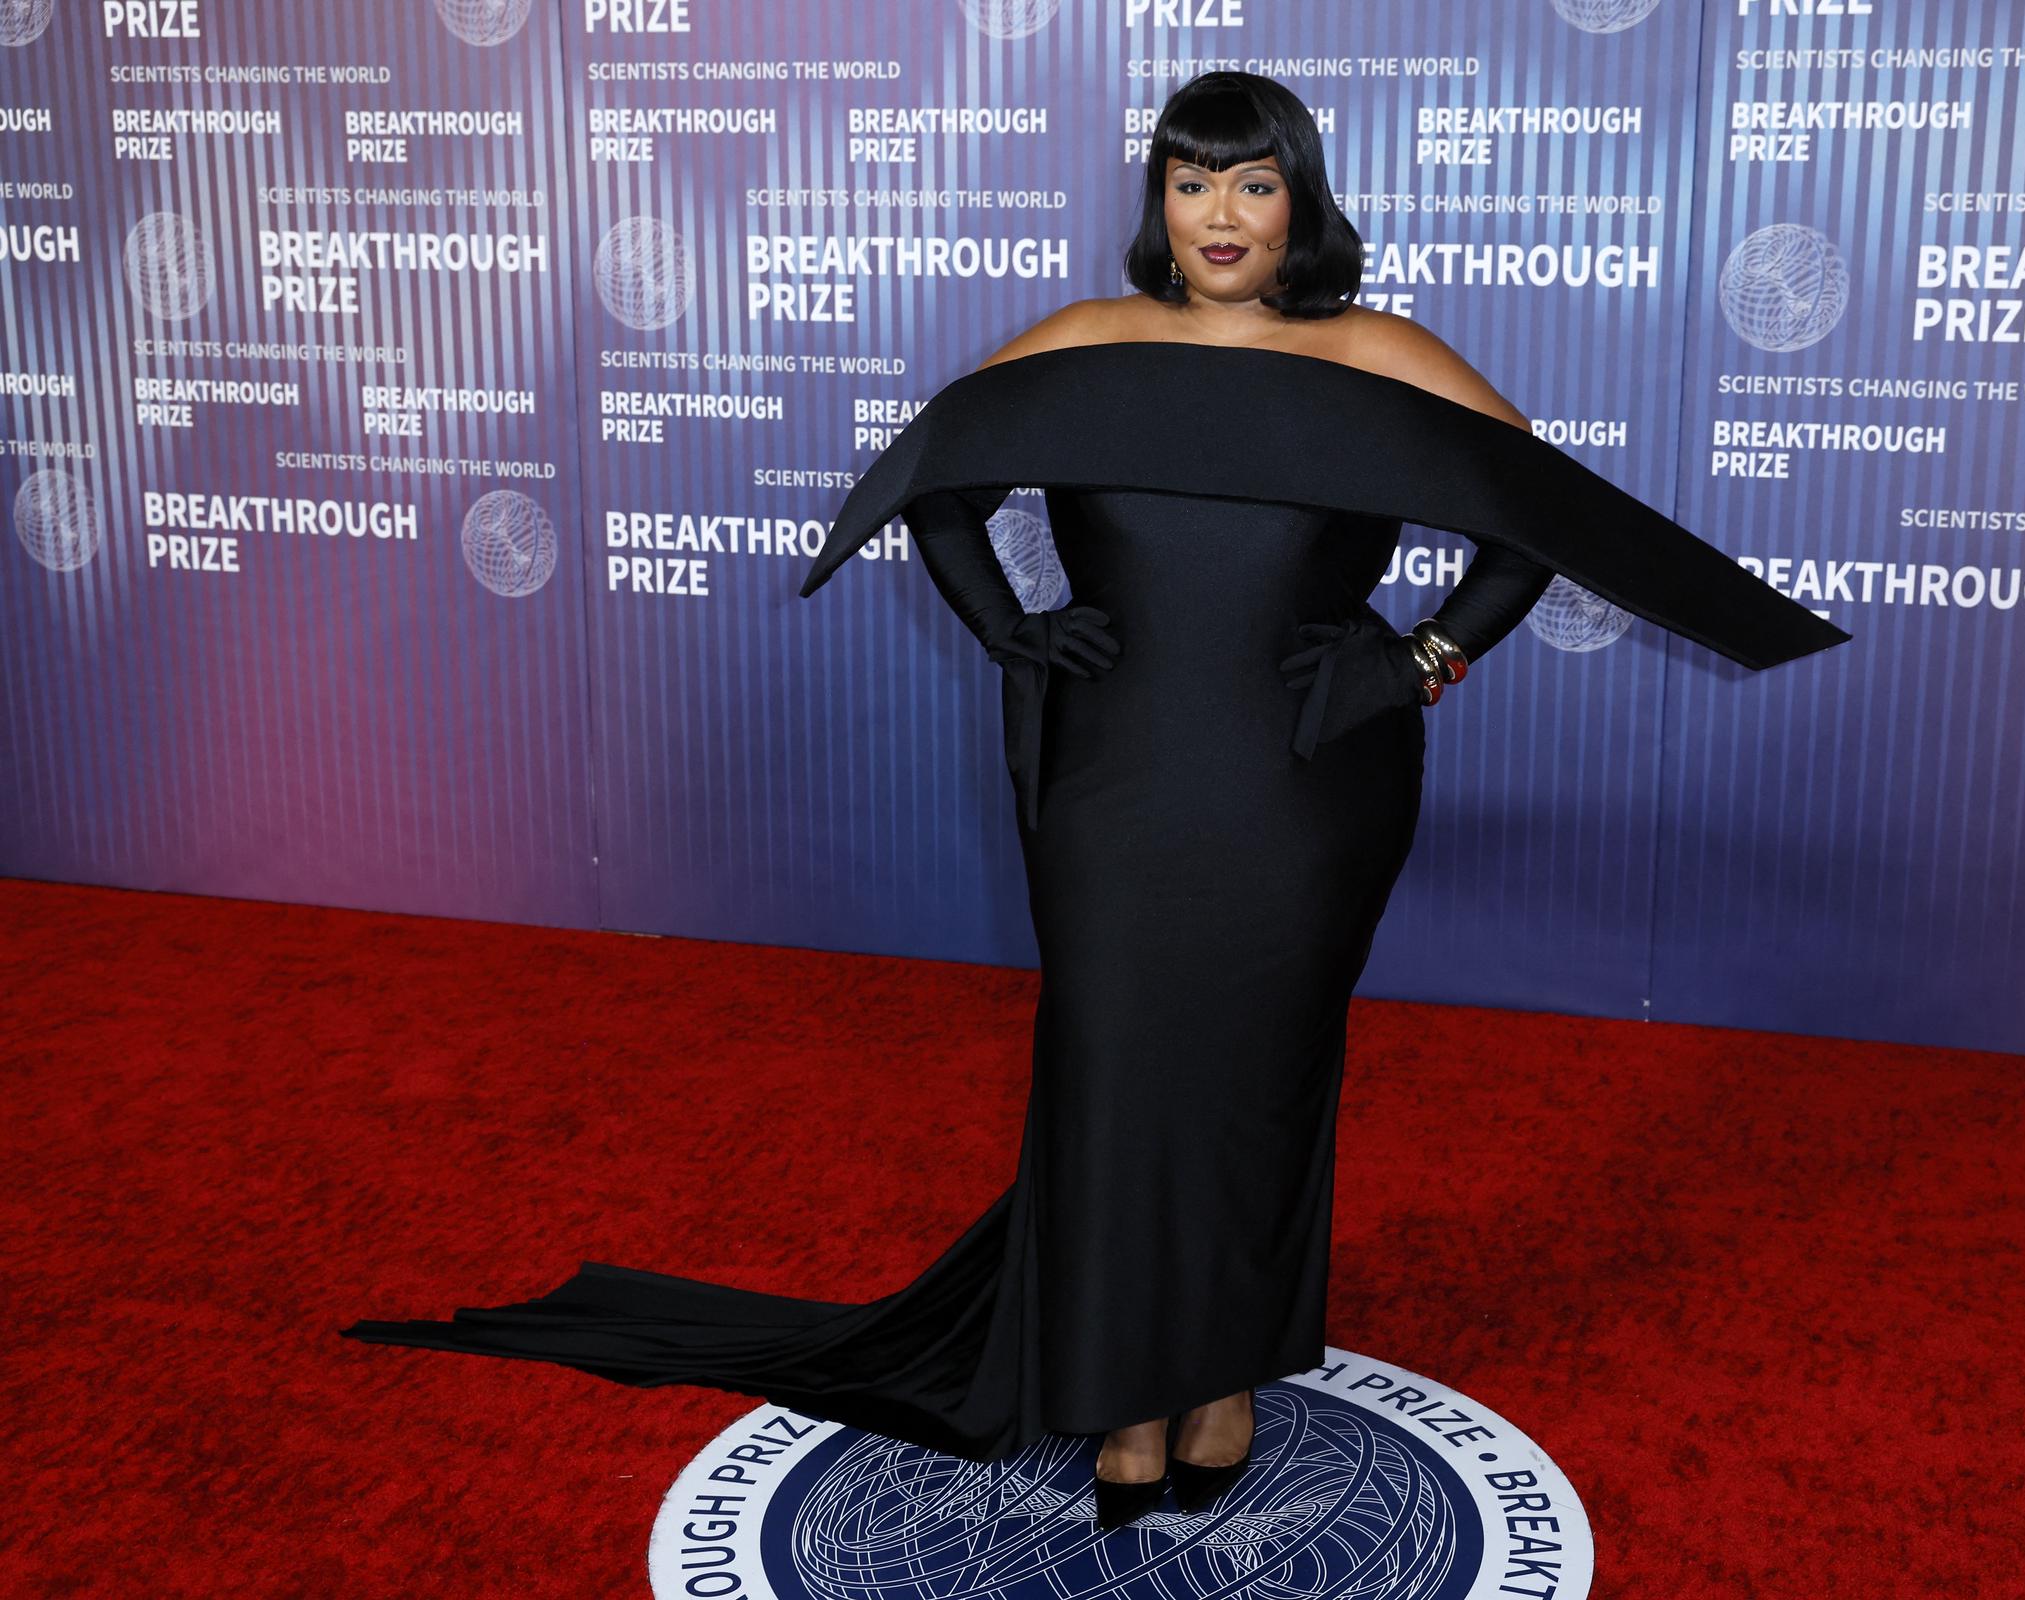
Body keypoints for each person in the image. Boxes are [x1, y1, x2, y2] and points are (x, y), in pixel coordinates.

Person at [338, 70, 1847, 1533]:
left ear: (1300, 197)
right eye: (1192, 181)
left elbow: (1541, 519)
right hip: (1116, 779)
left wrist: (1427, 658)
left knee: (1259, 1071)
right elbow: (936, 484)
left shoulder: (1384, 354)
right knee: (1119, 1066)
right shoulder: (1084, 338)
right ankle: (1129, 1392)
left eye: (1254, 181)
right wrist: (1010, 630)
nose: (1221, 212)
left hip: (1306, 784)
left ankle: (1223, 1380)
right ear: (1159, 200)